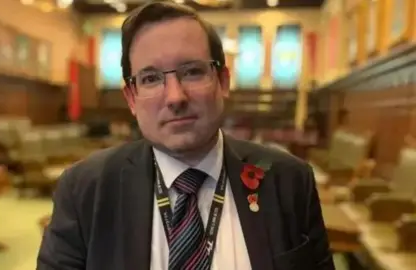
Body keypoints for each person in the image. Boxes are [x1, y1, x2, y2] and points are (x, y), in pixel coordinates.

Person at [37, 1, 335, 270]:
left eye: (192, 72)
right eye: (151, 78)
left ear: (223, 81)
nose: (175, 97)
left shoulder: (290, 182)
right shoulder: (84, 190)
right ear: (131, 97)